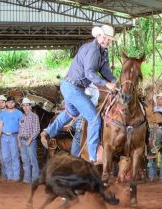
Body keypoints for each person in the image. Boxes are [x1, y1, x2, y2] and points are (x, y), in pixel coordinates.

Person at [40, 24, 116, 164]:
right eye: (105, 37)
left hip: (71, 86)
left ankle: (48, 132)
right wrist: (107, 84)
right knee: (94, 119)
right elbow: (89, 73)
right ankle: (93, 156)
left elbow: (105, 71)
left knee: (71, 113)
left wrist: (115, 81)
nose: (107, 41)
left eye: (109, 39)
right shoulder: (93, 50)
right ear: (99, 36)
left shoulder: (103, 52)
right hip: (73, 87)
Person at [0, 96, 23, 182]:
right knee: (6, 157)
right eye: (9, 102)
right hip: (4, 137)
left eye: (12, 102)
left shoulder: (19, 113)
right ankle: (9, 176)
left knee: (15, 156)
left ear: (14, 103)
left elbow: (21, 127)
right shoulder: (2, 114)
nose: (10, 104)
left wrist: (19, 139)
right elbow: (0, 126)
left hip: (14, 136)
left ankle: (16, 177)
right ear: (6, 103)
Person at [18, 98, 40, 184]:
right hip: (23, 140)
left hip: (30, 141)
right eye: (24, 105)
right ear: (22, 107)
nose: (25, 107)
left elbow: (37, 130)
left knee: (33, 160)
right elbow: (20, 130)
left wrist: (30, 140)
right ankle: (27, 179)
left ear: (30, 106)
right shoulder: (22, 117)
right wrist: (19, 141)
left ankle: (35, 179)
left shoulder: (34, 116)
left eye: (27, 105)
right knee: (25, 160)